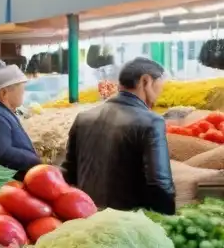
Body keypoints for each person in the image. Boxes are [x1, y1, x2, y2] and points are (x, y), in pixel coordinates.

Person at [64, 58, 175, 214]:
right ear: (146, 81)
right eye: (159, 86)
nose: (159, 94)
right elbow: (160, 184)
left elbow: (68, 173)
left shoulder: (84, 117)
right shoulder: (151, 122)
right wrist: (168, 222)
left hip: (87, 218)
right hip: (127, 223)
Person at [0, 65, 40, 178]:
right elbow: (2, 154)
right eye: (20, 89)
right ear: (4, 93)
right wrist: (34, 161)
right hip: (8, 184)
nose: (23, 93)